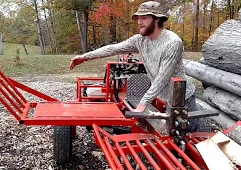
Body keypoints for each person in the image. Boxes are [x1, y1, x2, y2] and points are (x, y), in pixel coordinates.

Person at [69, 1, 199, 132]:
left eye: (144, 18)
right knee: (168, 137)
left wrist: (143, 102)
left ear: (157, 19)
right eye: (138, 18)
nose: (139, 22)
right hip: (165, 98)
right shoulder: (140, 40)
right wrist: (85, 57)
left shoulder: (172, 43)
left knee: (186, 139)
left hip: (183, 101)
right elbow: (113, 48)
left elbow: (162, 78)